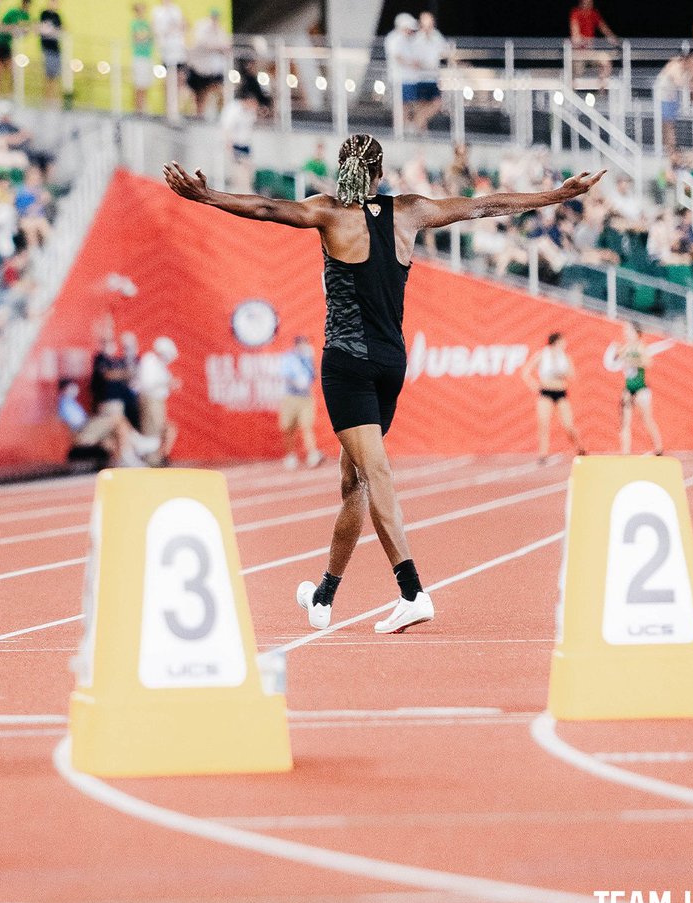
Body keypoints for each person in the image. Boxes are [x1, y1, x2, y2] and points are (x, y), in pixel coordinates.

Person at [164, 135, 604, 635]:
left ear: (342, 169)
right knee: (353, 484)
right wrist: (558, 194)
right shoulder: (409, 211)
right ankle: (324, 595)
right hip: (391, 365)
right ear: (379, 174)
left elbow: (265, 208)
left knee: (374, 476)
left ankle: (412, 591)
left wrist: (206, 195)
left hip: (348, 366)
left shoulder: (329, 212)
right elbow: (485, 205)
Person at [519, 332, 585, 463]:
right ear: (556, 342)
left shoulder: (565, 357)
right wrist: (534, 385)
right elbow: (526, 372)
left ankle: (579, 447)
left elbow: (572, 375)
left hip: (560, 393)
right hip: (546, 393)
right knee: (543, 423)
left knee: (568, 425)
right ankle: (543, 453)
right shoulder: (542, 355)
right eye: (563, 341)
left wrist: (563, 373)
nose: (565, 344)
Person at [617, 321, 663, 456]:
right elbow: (618, 359)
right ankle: (625, 453)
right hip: (628, 388)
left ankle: (658, 447)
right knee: (625, 422)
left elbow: (648, 362)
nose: (625, 333)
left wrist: (633, 360)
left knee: (646, 419)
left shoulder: (640, 347)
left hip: (641, 389)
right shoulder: (625, 348)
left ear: (636, 333)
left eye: (628, 330)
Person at [278, 335, 323, 470]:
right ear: (297, 345)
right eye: (303, 344)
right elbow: (285, 375)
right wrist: (295, 382)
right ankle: (290, 455)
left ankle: (312, 454)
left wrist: (311, 362)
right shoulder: (289, 358)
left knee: (307, 426)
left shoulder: (307, 358)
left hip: (306, 397)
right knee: (288, 428)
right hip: (291, 397)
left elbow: (313, 376)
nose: (305, 346)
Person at [136, 336, 179, 466]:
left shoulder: (161, 366)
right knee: (152, 429)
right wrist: (166, 383)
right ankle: (151, 459)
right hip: (150, 400)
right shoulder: (149, 360)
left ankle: (158, 457)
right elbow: (147, 384)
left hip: (158, 401)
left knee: (162, 429)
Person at [654, 45, 693, 157]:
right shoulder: (675, 65)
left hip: (672, 98)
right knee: (668, 125)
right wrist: (692, 76)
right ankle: (670, 150)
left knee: (670, 125)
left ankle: (671, 149)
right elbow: (679, 82)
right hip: (663, 97)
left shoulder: (688, 69)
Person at [187, 8, 231, 117]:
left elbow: (226, 46)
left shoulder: (220, 30)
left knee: (216, 90)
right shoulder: (202, 26)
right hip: (199, 67)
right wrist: (217, 46)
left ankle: (218, 114)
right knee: (199, 94)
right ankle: (199, 115)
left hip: (213, 69)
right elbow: (203, 44)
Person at [568, 0, 617, 86]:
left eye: (590, 1)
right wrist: (581, 39)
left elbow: (603, 27)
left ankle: (601, 88)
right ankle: (571, 89)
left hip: (589, 51)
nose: (588, 3)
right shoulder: (575, 12)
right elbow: (575, 33)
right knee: (576, 74)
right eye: (585, 1)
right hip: (577, 52)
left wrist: (612, 37)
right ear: (581, 2)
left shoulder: (594, 14)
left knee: (605, 60)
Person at [38, 0, 64, 104]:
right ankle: (47, 99)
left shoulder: (57, 16)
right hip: (47, 48)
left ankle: (55, 100)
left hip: (56, 48)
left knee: (56, 75)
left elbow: (61, 29)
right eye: (55, 0)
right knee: (48, 75)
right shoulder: (44, 14)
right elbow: (44, 29)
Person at [129, 2, 155, 114]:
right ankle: (138, 108)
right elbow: (138, 38)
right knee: (138, 83)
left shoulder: (148, 24)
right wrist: (148, 35)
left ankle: (143, 106)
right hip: (139, 57)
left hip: (148, 56)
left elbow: (152, 38)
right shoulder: (135, 24)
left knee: (146, 83)